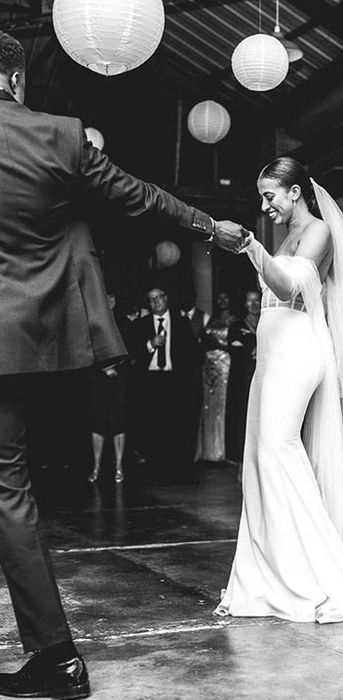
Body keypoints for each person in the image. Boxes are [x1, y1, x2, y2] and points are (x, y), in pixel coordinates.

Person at [0, 31, 246, 699]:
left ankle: (57, 658)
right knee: (9, 493)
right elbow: (138, 195)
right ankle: (55, 658)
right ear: (17, 81)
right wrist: (206, 227)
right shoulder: (60, 135)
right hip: (33, 341)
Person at [215, 157, 343, 623]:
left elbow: (287, 286)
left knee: (278, 451)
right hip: (273, 356)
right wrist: (260, 249)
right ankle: (266, 576)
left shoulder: (318, 231)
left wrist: (251, 247)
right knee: (258, 458)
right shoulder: (286, 236)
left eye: (271, 196)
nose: (267, 205)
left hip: (299, 353)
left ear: (296, 191)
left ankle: (320, 575)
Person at [131, 287, 201, 481]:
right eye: (151, 299)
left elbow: (193, 352)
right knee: (153, 425)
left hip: (175, 381)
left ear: (166, 298)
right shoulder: (140, 324)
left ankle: (176, 469)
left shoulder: (182, 322)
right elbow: (132, 352)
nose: (156, 302)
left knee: (175, 425)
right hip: (150, 381)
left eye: (159, 298)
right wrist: (150, 344)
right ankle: (155, 469)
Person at [87, 294, 130, 484]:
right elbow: (87, 349)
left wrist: (115, 366)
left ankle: (119, 467)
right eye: (105, 298)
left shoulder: (124, 323)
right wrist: (104, 367)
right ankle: (96, 467)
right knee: (97, 420)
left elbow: (130, 348)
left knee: (118, 419)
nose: (109, 302)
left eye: (112, 298)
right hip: (97, 376)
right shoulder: (91, 322)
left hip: (120, 375)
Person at [196, 291, 238, 463]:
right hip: (209, 366)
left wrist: (218, 344)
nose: (222, 300)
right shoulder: (211, 319)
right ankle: (208, 450)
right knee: (209, 405)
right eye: (219, 297)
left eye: (225, 297)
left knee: (223, 404)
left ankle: (221, 449)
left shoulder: (235, 321)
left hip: (224, 365)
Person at [225, 288, 262, 472]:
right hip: (242, 381)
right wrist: (253, 349)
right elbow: (235, 350)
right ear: (245, 304)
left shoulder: (266, 323)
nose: (254, 304)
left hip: (264, 378)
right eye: (250, 301)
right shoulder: (236, 326)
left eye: (257, 300)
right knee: (242, 419)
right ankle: (241, 463)